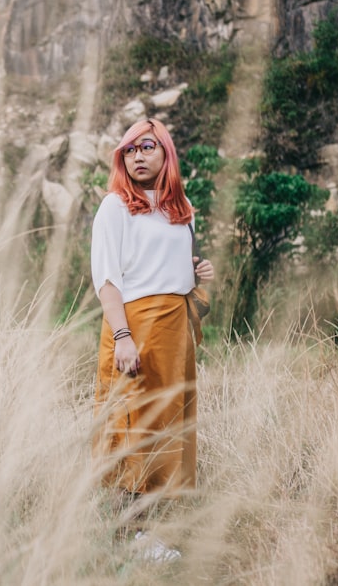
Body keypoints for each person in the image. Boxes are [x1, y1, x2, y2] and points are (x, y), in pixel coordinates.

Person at [91, 118, 214, 508]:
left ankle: (160, 522)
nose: (137, 157)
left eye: (147, 147)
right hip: (133, 327)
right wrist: (123, 337)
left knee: (171, 422)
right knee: (134, 423)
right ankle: (131, 528)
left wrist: (198, 271)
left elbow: (169, 268)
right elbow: (108, 280)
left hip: (175, 331)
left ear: (166, 153)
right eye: (129, 150)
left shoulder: (183, 210)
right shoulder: (115, 207)